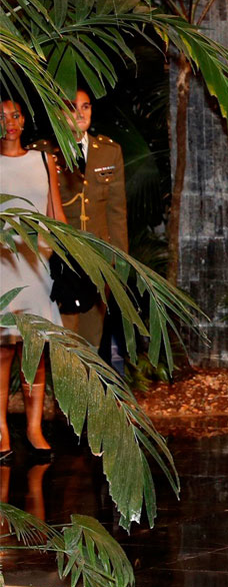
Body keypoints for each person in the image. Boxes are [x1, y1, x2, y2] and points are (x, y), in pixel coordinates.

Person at [32, 89, 129, 374]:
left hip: (98, 260)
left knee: (92, 336)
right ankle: (67, 394)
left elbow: (117, 211)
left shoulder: (109, 151)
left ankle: (89, 396)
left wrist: (119, 262)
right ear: (59, 113)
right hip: (60, 260)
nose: (81, 113)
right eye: (73, 108)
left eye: (86, 107)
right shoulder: (43, 153)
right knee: (64, 335)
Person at [1, 98, 66, 461]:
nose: (9, 122)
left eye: (15, 115)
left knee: (35, 348)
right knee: (2, 350)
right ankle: (1, 429)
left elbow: (56, 213)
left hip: (38, 265)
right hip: (3, 266)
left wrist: (75, 257)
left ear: (24, 120)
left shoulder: (43, 159)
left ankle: (34, 427)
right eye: (1, 116)